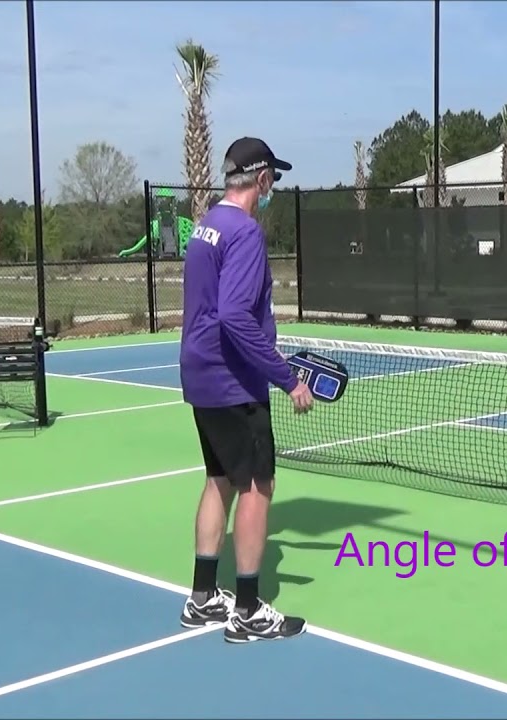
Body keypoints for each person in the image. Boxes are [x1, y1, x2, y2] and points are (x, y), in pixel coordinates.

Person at [177, 137, 315, 643]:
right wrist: (287, 378)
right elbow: (235, 316)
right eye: (272, 179)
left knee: (220, 479)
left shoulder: (205, 227)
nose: (273, 186)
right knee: (259, 485)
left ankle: (203, 597)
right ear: (260, 180)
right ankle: (250, 609)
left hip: (200, 374)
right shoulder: (246, 234)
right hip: (234, 380)